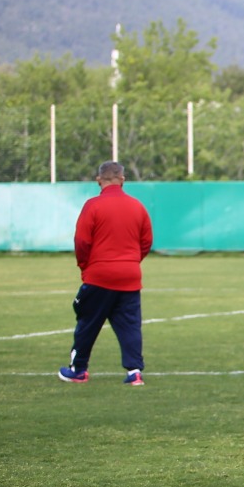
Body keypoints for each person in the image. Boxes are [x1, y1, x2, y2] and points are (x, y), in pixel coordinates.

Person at [58, 161, 152, 385]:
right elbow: (146, 241)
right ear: (123, 179)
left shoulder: (93, 205)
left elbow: (81, 241)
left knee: (87, 322)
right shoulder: (137, 206)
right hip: (130, 276)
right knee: (129, 326)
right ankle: (134, 372)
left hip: (99, 275)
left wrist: (85, 266)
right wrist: (130, 262)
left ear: (99, 180)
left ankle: (79, 369)